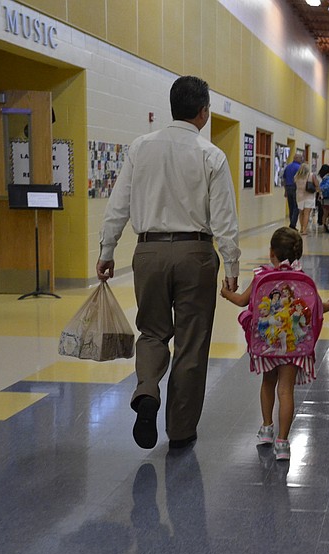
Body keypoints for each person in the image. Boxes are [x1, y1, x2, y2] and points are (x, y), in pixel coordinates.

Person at [97, 75, 240, 450]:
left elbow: (119, 204)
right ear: (203, 111)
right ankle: (180, 430)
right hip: (195, 253)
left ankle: (147, 392)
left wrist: (106, 249)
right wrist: (232, 265)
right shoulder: (211, 155)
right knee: (192, 343)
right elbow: (224, 217)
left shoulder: (140, 148)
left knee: (152, 332)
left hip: (149, 251)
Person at [220, 227, 329, 460]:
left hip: (267, 345)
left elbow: (241, 301)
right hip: (295, 345)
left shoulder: (261, 275)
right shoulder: (304, 280)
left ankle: (266, 429)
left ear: (272, 252)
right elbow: (319, 307)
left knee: (267, 385)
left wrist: (225, 293)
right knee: (286, 390)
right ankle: (283, 443)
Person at [294, 163, 317, 235]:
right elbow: (316, 184)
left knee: (301, 213)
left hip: (299, 196)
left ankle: (301, 228)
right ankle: (304, 230)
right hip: (309, 196)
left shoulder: (297, 176)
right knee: (307, 213)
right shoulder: (311, 175)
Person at [283, 153, 303, 229]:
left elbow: (284, 179)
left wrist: (285, 190)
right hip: (296, 188)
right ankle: (293, 224)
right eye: (300, 158)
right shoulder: (299, 168)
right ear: (296, 158)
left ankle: (292, 221)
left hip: (288, 187)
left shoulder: (288, 167)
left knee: (291, 206)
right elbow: (301, 180)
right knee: (296, 206)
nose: (301, 160)